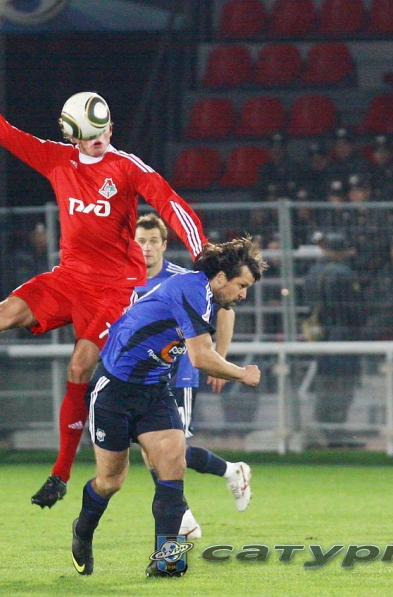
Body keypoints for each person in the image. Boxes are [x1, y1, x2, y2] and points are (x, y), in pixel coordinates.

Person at [0, 57, 207, 509]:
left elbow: (170, 202)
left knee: (79, 366)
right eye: (89, 136)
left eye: (103, 133)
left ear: (111, 128)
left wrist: (201, 251)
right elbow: (4, 134)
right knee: (1, 314)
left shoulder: (127, 167)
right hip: (68, 277)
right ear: (71, 136)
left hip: (114, 289)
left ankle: (60, 474)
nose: (99, 142)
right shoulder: (57, 159)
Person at [71, 238, 266, 577]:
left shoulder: (207, 295)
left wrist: (223, 354)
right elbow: (200, 357)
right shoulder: (192, 290)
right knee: (111, 481)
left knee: (172, 469)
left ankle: (167, 561)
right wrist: (242, 373)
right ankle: (82, 530)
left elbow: (220, 324)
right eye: (242, 285)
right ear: (221, 278)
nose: (243, 294)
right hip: (114, 390)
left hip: (155, 390)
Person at [134, 214, 249, 540]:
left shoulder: (181, 278)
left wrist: (219, 358)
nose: (146, 247)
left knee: (169, 450)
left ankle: (218, 484)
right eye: (140, 241)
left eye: (153, 241)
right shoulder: (124, 278)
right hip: (143, 375)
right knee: (150, 449)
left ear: (164, 245)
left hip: (178, 373)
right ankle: (190, 508)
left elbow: (225, 310)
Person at [303, 232, 362, 436]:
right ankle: (336, 431)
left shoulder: (313, 272)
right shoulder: (344, 273)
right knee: (343, 385)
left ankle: (321, 429)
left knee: (325, 383)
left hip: (321, 334)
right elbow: (352, 308)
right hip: (343, 333)